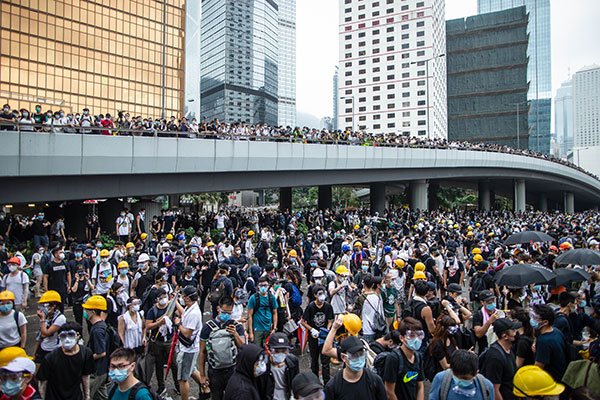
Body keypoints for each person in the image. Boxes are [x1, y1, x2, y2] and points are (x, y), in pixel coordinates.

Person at [198, 296, 246, 400]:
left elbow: (243, 347)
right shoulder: (208, 327)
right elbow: (202, 352)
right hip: (215, 371)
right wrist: (202, 375)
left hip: (232, 370)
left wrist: (235, 334)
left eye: (229, 313)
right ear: (218, 309)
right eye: (224, 312)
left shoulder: (237, 326)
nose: (226, 315)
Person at [37, 322, 95, 400]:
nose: (67, 339)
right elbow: (43, 382)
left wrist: (87, 397)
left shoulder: (86, 354)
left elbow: (85, 376)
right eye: (63, 336)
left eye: (71, 335)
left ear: (78, 336)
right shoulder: (50, 358)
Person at [324, 335, 387, 400]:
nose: (359, 358)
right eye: (354, 356)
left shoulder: (374, 380)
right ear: (343, 357)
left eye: (361, 354)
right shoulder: (333, 386)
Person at [145, 289, 179, 395]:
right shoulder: (153, 311)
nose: (163, 299)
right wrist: (160, 322)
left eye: (165, 296)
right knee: (159, 364)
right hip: (157, 342)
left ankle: (178, 385)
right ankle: (161, 386)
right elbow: (148, 326)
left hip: (169, 341)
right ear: (156, 299)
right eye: (161, 297)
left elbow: (181, 314)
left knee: (174, 364)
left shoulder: (171, 309)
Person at [383, 317, 426, 400]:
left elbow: (420, 386)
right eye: (411, 336)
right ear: (401, 338)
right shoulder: (394, 359)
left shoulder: (418, 357)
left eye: (419, 335)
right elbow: (389, 391)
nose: (416, 339)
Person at [174, 285, 203, 400]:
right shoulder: (190, 307)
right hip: (189, 347)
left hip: (188, 349)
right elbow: (183, 313)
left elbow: (187, 333)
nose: (181, 298)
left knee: (182, 378)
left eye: (183, 296)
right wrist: (175, 302)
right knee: (192, 370)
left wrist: (178, 324)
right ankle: (206, 387)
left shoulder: (194, 313)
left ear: (187, 298)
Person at [480, 318, 520, 400]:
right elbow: (494, 389)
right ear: (505, 336)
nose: (516, 333)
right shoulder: (495, 357)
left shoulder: (509, 349)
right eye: (513, 331)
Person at [301, 284, 333, 384]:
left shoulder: (328, 306)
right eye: (320, 294)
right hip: (313, 338)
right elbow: (303, 322)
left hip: (324, 338)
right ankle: (315, 381)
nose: (322, 296)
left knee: (325, 361)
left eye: (324, 293)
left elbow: (329, 320)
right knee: (314, 361)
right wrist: (312, 330)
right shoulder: (310, 307)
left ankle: (327, 382)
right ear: (315, 295)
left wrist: (327, 331)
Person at [430, 349, 494, 400]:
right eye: (456, 376)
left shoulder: (486, 387)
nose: (460, 380)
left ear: (476, 373)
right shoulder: (442, 379)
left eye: (465, 378)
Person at [531, 304, 568, 383]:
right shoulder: (556, 331)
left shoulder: (544, 341)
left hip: (550, 381)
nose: (532, 319)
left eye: (535, 318)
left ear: (545, 322)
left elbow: (538, 367)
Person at [83, 295, 110, 400]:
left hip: (96, 370)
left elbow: (101, 352)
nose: (85, 312)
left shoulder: (97, 330)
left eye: (87, 310)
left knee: (86, 394)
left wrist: (86, 358)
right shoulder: (101, 326)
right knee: (102, 396)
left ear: (93, 312)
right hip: (102, 369)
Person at [35, 290, 66, 365]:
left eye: (45, 305)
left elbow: (45, 333)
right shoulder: (47, 316)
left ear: (53, 306)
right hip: (43, 347)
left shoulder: (60, 318)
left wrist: (42, 319)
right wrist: (35, 353)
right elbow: (40, 337)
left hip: (53, 350)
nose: (43, 308)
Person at [266, 332, 300, 400]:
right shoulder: (264, 364)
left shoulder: (292, 362)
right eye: (276, 351)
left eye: (284, 351)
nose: (280, 354)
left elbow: (296, 381)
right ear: (269, 349)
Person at [247, 276, 278, 347]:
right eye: (261, 285)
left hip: (268, 329)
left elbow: (275, 313)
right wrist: (251, 333)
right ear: (258, 286)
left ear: (268, 286)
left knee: (268, 349)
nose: (263, 287)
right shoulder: (253, 298)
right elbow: (249, 316)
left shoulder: (272, 298)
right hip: (257, 329)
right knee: (256, 349)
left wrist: (274, 328)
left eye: (265, 285)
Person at [42, 247, 70, 313]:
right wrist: (46, 289)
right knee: (53, 306)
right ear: (55, 254)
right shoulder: (49, 265)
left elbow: (68, 274)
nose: (62, 254)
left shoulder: (65, 263)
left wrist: (69, 285)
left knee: (61, 306)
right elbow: (45, 277)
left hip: (62, 288)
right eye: (60, 253)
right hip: (53, 289)